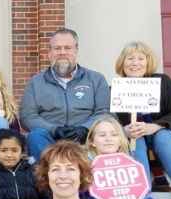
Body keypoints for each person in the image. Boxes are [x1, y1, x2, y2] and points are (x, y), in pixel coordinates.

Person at [113, 41, 171, 199]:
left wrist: (155, 126)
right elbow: (107, 122)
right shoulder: (115, 89)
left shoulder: (162, 82)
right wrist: (123, 131)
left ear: (148, 61)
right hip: (133, 140)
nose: (135, 63)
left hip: (163, 139)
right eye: (130, 58)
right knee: (137, 141)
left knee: (163, 135)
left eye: (141, 58)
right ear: (122, 62)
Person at [19, 28, 110, 162]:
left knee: (104, 133)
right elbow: (28, 116)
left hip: (86, 138)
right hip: (50, 139)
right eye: (57, 48)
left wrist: (84, 128)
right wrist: (54, 129)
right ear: (49, 52)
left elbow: (104, 111)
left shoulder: (96, 79)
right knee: (35, 135)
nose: (62, 52)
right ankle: (50, 173)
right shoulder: (36, 82)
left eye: (67, 48)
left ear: (76, 50)